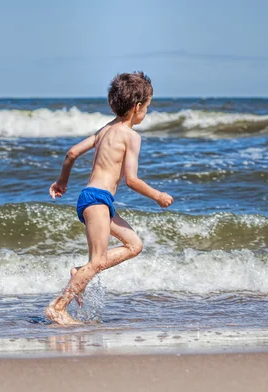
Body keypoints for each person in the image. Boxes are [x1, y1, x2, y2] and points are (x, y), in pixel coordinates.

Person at [45, 72, 173, 325]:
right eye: (147, 108)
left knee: (134, 245)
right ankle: (58, 307)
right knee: (98, 261)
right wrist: (158, 196)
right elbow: (132, 180)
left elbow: (71, 153)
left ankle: (80, 272)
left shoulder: (104, 130)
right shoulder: (131, 136)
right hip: (98, 201)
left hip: (90, 198)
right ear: (137, 107)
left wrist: (62, 181)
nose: (146, 112)